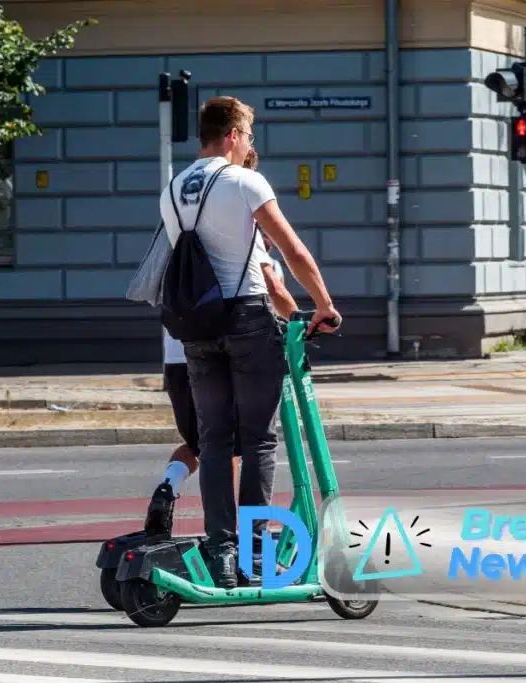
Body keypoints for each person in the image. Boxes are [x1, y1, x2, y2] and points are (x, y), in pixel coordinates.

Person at [159, 96, 339, 588]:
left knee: (215, 439)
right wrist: (323, 304)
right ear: (234, 135)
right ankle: (255, 556)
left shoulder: (174, 188)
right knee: (258, 440)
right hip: (247, 318)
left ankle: (222, 554)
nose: (249, 146)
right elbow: (289, 248)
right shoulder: (244, 181)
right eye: (249, 137)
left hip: (198, 326)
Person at [145, 148, 298, 538]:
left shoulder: (181, 216)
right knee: (254, 441)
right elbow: (275, 286)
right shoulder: (246, 239)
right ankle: (248, 543)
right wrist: (301, 320)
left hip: (183, 349)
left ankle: (178, 497)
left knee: (206, 442)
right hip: (240, 330)